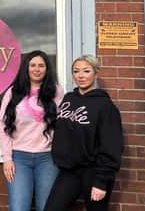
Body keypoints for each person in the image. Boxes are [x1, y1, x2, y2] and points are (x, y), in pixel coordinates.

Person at [44, 55, 124, 211]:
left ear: (96, 73)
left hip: (94, 172)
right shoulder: (68, 99)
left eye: (86, 71)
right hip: (69, 171)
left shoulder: (105, 106)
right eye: (76, 71)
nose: (80, 75)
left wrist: (101, 182)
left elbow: (112, 146)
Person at [0, 50, 64, 211]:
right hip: (19, 158)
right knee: (19, 208)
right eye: (32, 65)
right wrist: (7, 158)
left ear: (47, 69)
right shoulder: (14, 92)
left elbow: (63, 124)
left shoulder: (56, 92)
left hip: (48, 159)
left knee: (45, 207)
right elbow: (1, 124)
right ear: (26, 68)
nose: (37, 69)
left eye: (41, 65)